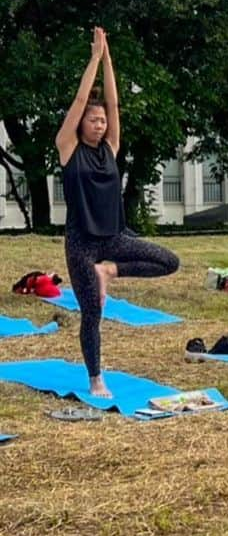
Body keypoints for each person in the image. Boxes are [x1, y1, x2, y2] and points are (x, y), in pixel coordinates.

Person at [56, 27, 180, 397]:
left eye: (103, 121)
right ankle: (96, 377)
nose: (101, 123)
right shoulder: (68, 147)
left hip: (114, 237)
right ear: (81, 124)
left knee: (168, 261)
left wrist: (109, 60)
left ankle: (110, 270)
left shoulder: (110, 146)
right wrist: (93, 58)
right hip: (82, 243)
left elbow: (113, 103)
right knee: (92, 311)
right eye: (93, 120)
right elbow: (81, 100)